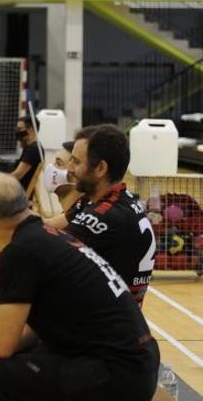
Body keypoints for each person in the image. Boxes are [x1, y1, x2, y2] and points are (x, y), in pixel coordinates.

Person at [0, 173, 160, 401]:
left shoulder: (20, 252)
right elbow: (30, 328)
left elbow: (2, 344)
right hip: (135, 359)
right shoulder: (45, 235)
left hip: (116, 371)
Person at [47, 124, 154, 306]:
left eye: (76, 162)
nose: (70, 170)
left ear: (101, 169)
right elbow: (49, 225)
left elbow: (42, 246)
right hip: (113, 316)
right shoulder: (113, 199)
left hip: (102, 327)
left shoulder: (105, 215)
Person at [11, 115, 42, 191]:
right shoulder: (31, 147)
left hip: (18, 191)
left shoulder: (33, 150)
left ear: (31, 129)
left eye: (20, 129)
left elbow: (18, 175)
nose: (18, 132)